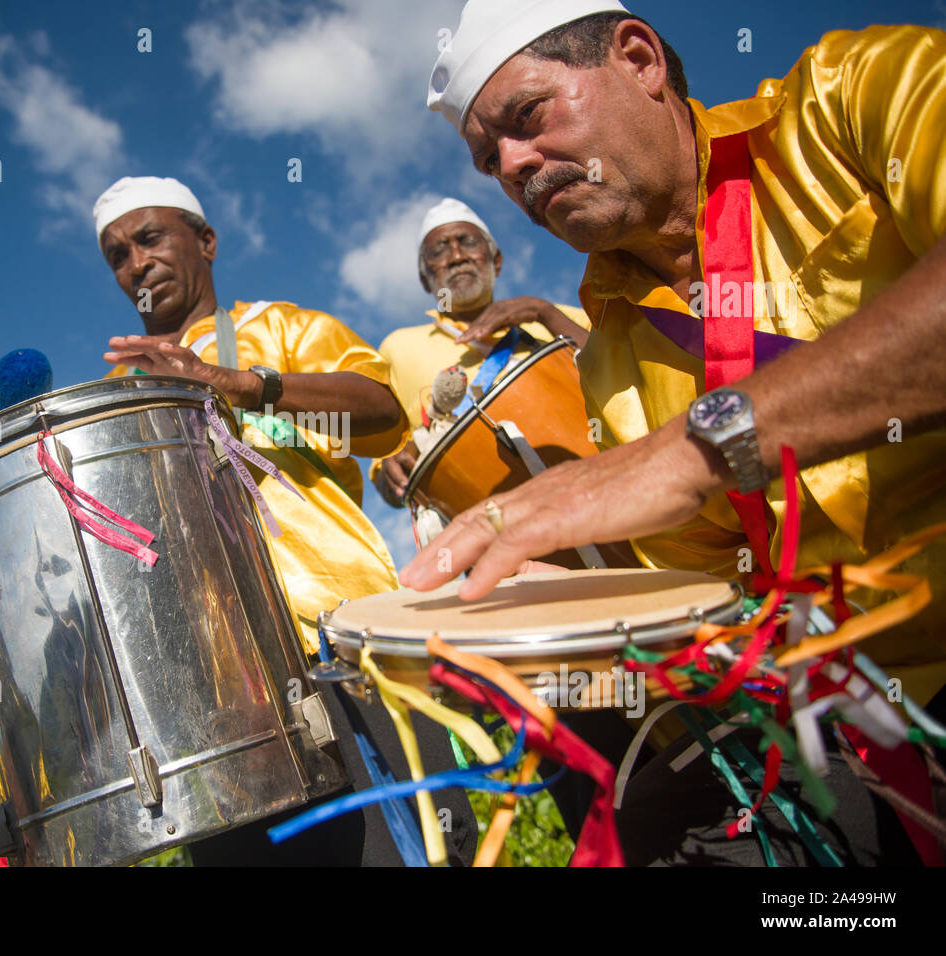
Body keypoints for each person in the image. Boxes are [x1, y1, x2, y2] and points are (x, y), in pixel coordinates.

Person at [405, 2, 946, 864]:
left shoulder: (856, 100)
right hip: (847, 708)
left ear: (639, 58)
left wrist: (689, 451)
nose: (511, 167)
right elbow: (723, 594)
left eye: (527, 118)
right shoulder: (611, 348)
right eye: (489, 159)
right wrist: (576, 610)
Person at [96, 176, 476, 865]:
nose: (136, 262)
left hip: (339, 641)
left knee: (413, 850)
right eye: (118, 254)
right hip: (212, 694)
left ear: (205, 241)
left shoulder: (285, 327)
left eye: (150, 237)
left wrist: (242, 384)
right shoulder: (117, 401)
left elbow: (382, 416)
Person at [372, 196, 590, 508]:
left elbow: (625, 383)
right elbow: (387, 477)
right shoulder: (397, 348)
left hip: (604, 497)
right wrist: (392, 470)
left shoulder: (560, 318)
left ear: (495, 260)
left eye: (467, 242)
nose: (457, 256)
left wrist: (542, 313)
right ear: (424, 278)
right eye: (439, 250)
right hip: (491, 531)